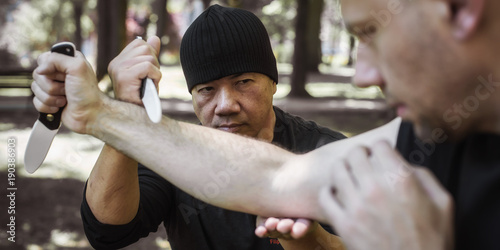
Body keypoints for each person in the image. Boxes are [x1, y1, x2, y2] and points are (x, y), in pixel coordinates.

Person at [35, 0, 500, 248]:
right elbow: (274, 177)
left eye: (372, 32)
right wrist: (108, 113)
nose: (362, 76)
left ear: (461, 8)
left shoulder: (330, 145)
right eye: (206, 90)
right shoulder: (439, 137)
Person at [81, 5, 345, 250]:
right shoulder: (172, 156)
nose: (225, 105)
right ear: (193, 96)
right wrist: (127, 113)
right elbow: (107, 232)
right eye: (207, 89)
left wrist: (310, 237)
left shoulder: (327, 153)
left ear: (272, 82)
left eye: (243, 82)